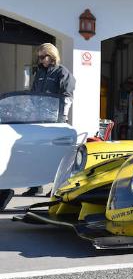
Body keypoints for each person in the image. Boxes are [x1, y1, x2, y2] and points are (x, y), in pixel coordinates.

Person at [25, 42, 76, 196]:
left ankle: (57, 187)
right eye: (39, 58)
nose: (40, 60)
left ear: (52, 56)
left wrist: (61, 118)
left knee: (56, 155)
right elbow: (33, 94)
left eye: (43, 57)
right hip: (39, 120)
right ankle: (36, 185)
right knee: (37, 152)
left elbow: (67, 97)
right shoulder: (39, 73)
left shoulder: (62, 72)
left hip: (55, 121)